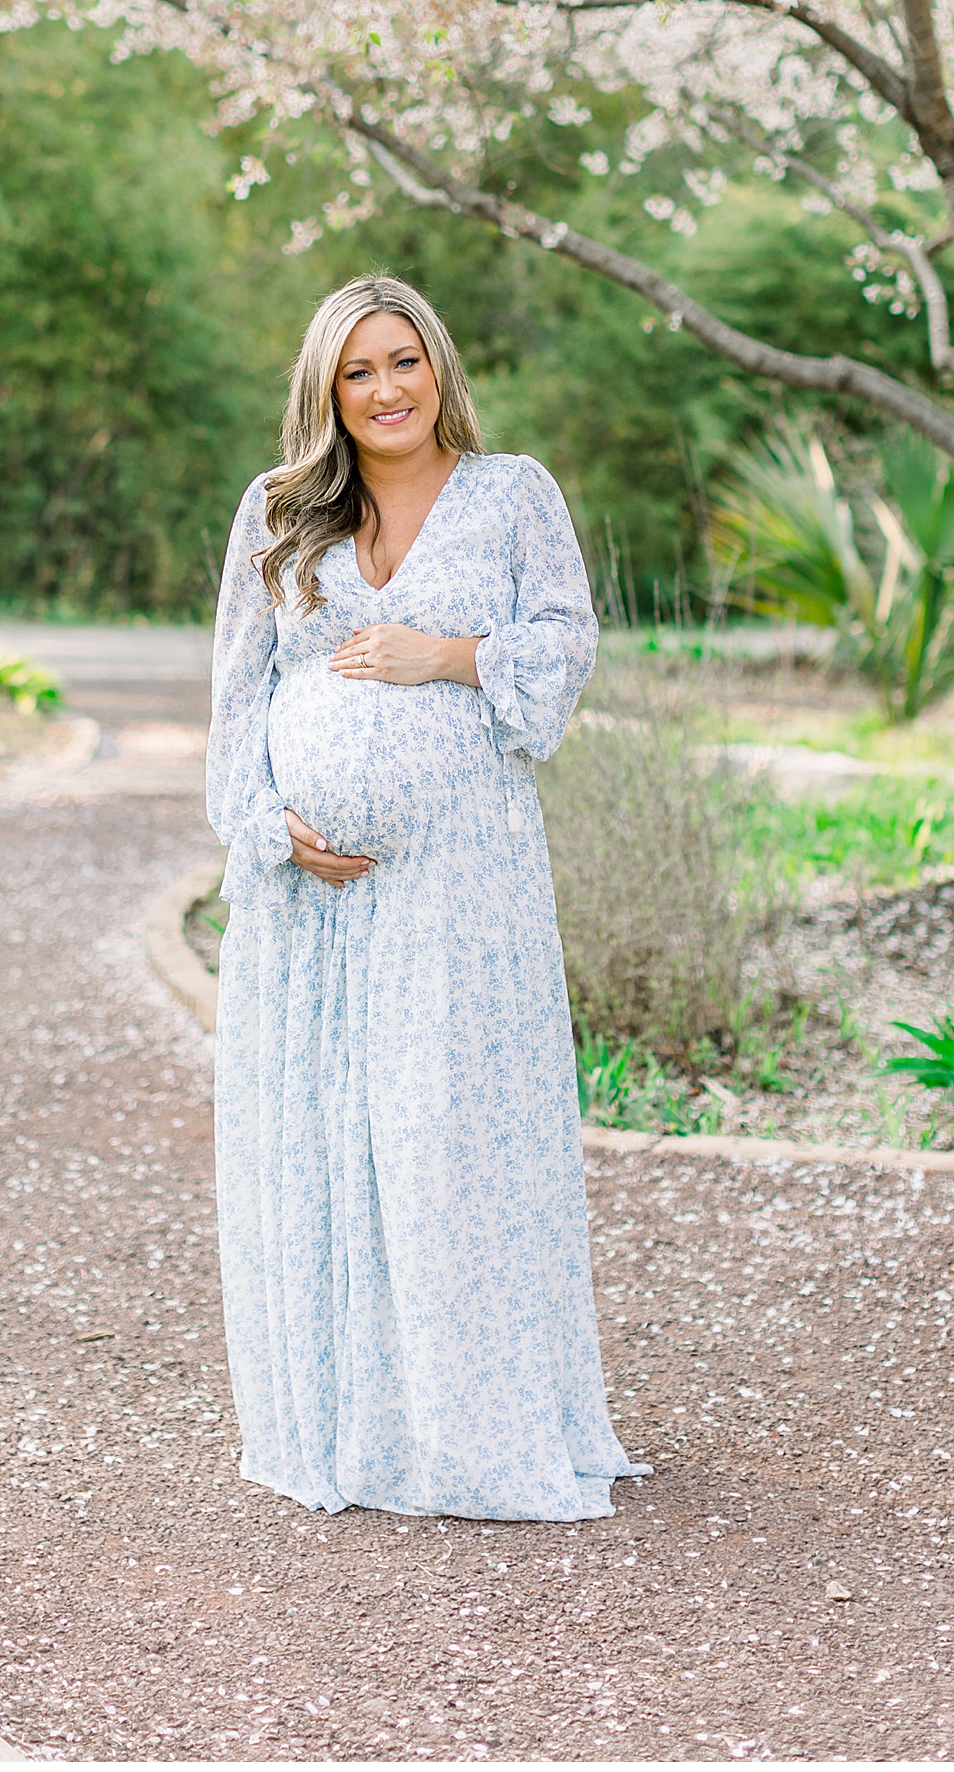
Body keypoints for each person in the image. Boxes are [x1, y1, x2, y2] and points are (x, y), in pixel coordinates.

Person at [206, 272, 642, 1522]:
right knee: (329, 1139)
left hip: (465, 890)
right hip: (311, 902)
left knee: (452, 1137)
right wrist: (269, 826)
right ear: (326, 391)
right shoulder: (279, 510)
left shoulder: (512, 494)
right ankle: (353, 1421)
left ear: (439, 365)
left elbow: (562, 646)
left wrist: (441, 656)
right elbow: (239, 690)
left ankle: (471, 1423)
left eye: (403, 360)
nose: (386, 389)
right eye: (358, 371)